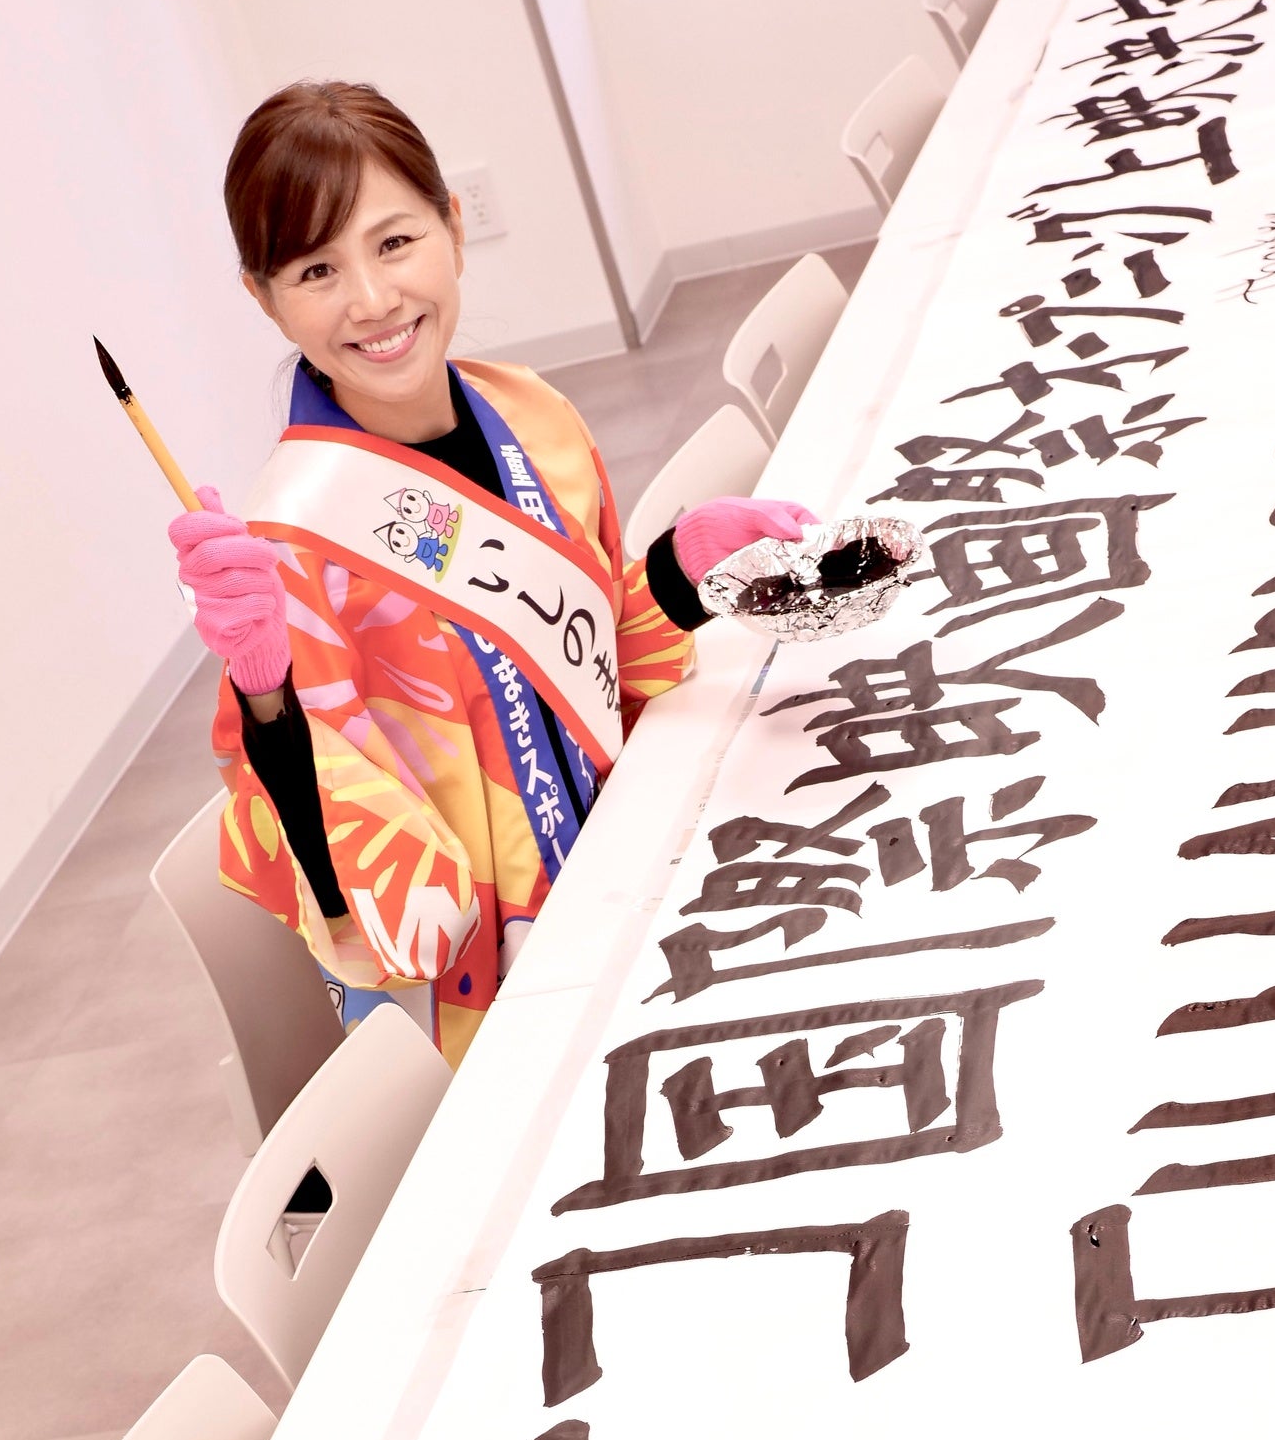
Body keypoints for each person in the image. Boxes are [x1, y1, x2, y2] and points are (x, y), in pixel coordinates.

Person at [169, 80, 815, 1064]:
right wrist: (266, 699)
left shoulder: (534, 417)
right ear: (265, 299)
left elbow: (604, 679)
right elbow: (360, 907)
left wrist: (679, 573)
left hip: (648, 875)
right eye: (316, 270)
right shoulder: (291, 551)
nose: (372, 300)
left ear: (453, 228)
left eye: (395, 242)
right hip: (500, 1019)